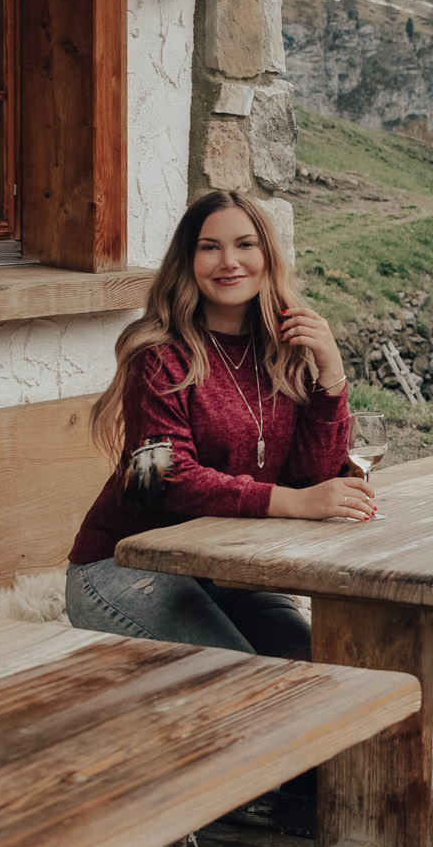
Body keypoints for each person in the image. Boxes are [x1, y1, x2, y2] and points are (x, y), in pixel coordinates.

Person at [65, 188, 376, 655]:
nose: (229, 261)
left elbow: (311, 481)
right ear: (188, 262)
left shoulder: (283, 352)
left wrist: (330, 374)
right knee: (243, 681)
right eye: (210, 247)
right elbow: (163, 483)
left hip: (229, 569)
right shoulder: (159, 357)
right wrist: (293, 501)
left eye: (245, 245)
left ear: (267, 257)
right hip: (124, 566)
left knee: (322, 668)